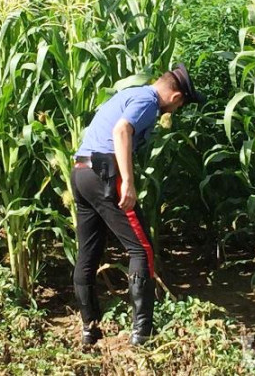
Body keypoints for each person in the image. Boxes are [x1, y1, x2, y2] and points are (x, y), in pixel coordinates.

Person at [71, 63, 205, 346]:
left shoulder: (130, 93)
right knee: (141, 248)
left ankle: (89, 329)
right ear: (176, 98)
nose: (175, 111)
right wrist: (128, 182)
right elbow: (121, 131)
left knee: (88, 251)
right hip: (105, 174)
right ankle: (142, 334)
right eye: (179, 106)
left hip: (81, 171)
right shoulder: (148, 101)